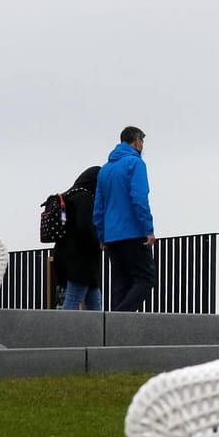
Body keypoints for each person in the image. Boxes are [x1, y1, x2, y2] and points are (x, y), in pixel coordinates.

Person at [94, 126, 156, 312]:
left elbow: (98, 207)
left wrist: (102, 235)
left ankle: (113, 328)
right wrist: (148, 229)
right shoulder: (135, 164)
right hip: (133, 232)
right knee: (146, 279)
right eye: (142, 142)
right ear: (137, 141)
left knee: (121, 283)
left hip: (112, 236)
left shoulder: (105, 170)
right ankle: (120, 318)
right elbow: (138, 197)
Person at [55, 165, 104, 310]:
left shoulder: (68, 196)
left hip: (66, 256)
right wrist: (98, 242)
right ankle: (63, 332)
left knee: (95, 301)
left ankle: (98, 331)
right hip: (81, 261)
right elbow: (85, 228)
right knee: (73, 300)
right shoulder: (85, 198)